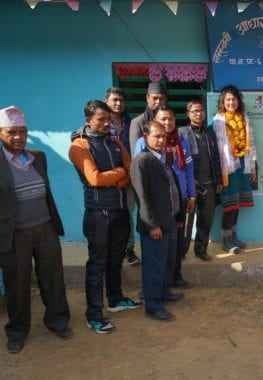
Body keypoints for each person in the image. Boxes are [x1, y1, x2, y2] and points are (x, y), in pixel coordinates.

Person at [0, 106, 73, 353]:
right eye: (11, 132)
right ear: (0, 133)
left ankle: (58, 321)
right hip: (14, 234)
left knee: (52, 278)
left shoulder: (37, 157)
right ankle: (18, 330)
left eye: (22, 131)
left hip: (45, 228)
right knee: (17, 284)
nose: (18, 137)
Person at [69, 100, 141, 334]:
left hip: (119, 210)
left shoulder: (116, 142)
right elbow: (94, 179)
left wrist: (118, 177)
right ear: (88, 120)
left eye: (109, 119)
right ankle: (94, 314)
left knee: (115, 259)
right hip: (98, 214)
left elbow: (130, 172)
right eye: (101, 119)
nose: (107, 123)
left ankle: (116, 298)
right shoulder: (79, 146)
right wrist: (120, 174)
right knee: (97, 263)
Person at [135, 105, 195, 289]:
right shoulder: (144, 153)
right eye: (163, 119)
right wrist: (152, 223)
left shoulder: (179, 142)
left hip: (177, 205)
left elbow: (188, 171)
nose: (167, 123)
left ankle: (170, 283)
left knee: (173, 249)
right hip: (158, 210)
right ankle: (153, 297)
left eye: (171, 119)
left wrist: (190, 196)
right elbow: (142, 191)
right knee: (156, 257)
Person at [131, 121, 185, 322]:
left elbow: (173, 188)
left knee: (167, 262)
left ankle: (164, 293)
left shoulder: (163, 158)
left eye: (163, 136)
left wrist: (178, 216)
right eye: (157, 136)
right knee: (154, 265)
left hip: (169, 221)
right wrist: (152, 225)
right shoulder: (142, 161)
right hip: (155, 226)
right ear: (146, 137)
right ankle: (153, 305)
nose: (161, 140)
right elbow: (141, 197)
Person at [212, 85, 257, 254]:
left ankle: (233, 237)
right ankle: (225, 240)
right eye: (228, 99)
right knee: (229, 204)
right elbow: (218, 149)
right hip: (227, 167)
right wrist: (220, 173)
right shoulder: (218, 120)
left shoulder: (244, 118)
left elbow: (250, 143)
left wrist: (252, 167)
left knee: (237, 204)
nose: (231, 102)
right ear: (223, 102)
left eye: (234, 99)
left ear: (238, 101)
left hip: (243, 164)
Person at [178, 98, 223, 262]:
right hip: (191, 186)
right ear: (188, 114)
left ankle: (201, 249)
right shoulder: (182, 132)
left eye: (201, 110)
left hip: (209, 184)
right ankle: (181, 251)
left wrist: (218, 180)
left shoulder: (210, 132)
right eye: (194, 111)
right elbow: (179, 160)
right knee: (187, 220)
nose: (198, 114)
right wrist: (189, 179)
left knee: (206, 218)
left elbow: (216, 158)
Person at [104, 87, 140, 266]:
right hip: (110, 178)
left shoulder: (130, 123)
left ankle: (129, 249)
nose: (118, 104)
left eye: (121, 100)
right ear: (107, 102)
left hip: (131, 175)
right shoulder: (102, 124)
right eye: (114, 100)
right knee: (112, 214)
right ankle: (114, 248)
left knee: (129, 211)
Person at [129, 81, 167, 157]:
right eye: (155, 98)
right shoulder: (137, 122)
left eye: (161, 98)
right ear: (147, 98)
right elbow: (136, 154)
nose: (158, 102)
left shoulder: (167, 120)